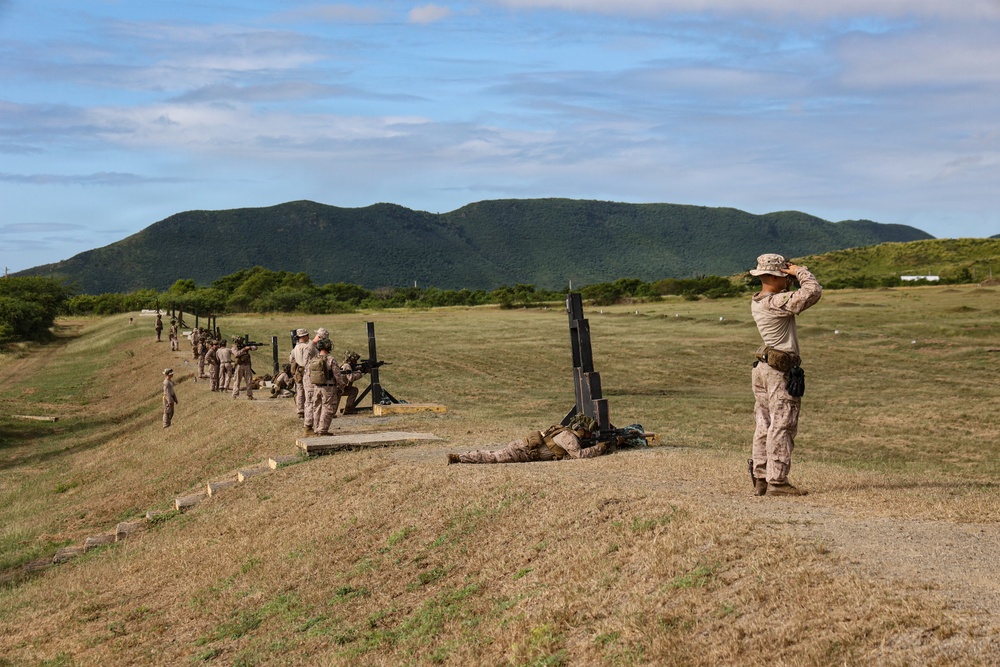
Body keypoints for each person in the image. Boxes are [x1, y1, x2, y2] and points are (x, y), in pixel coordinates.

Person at [748, 253, 822, 497]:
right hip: (779, 373)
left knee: (764, 424)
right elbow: (812, 292)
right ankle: (777, 481)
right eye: (783, 276)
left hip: (763, 369)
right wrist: (800, 271)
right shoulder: (775, 302)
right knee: (782, 425)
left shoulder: (758, 300)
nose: (787, 281)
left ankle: (761, 476)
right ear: (771, 276)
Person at [447, 415, 612, 464]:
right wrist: (601, 448)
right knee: (492, 457)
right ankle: (459, 458)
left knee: (493, 455)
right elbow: (580, 456)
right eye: (589, 432)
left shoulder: (564, 431)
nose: (590, 435)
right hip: (523, 452)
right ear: (582, 430)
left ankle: (460, 457)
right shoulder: (568, 437)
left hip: (523, 447)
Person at [308, 338, 362, 436]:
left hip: (317, 387)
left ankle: (316, 428)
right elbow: (338, 376)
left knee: (317, 408)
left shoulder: (313, 359)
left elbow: (309, 374)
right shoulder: (331, 360)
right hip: (328, 388)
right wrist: (341, 386)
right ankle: (322, 430)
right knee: (327, 408)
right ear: (328, 347)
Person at [288, 328, 315, 419]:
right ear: (303, 336)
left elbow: (291, 359)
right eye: (307, 335)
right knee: (308, 391)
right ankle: (309, 410)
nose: (308, 336)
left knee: (300, 391)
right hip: (306, 370)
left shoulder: (295, 348)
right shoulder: (305, 347)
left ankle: (300, 410)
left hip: (298, 372)